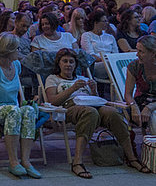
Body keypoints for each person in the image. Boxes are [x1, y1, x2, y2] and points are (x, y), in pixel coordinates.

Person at [45, 48, 149, 178]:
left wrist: (94, 90)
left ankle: (131, 158)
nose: (68, 64)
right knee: (90, 113)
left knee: (113, 113)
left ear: (75, 64)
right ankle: (77, 162)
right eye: (64, 61)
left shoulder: (83, 78)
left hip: (93, 104)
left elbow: (96, 98)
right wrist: (72, 88)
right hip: (70, 106)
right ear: (58, 63)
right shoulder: (53, 79)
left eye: (71, 62)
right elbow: (53, 101)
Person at [0, 33, 41, 179]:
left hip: (12, 109)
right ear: (8, 50)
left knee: (29, 110)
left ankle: (26, 161)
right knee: (14, 111)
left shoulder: (16, 65)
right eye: (16, 48)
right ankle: (13, 161)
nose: (19, 51)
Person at [125, 35, 156, 134]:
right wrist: (133, 105)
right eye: (137, 50)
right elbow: (128, 94)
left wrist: (150, 107)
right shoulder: (134, 66)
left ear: (153, 53)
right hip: (142, 100)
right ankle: (150, 146)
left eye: (141, 52)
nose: (137, 55)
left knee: (153, 116)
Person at [80, 11, 117, 80]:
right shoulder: (87, 35)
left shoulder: (110, 37)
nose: (107, 23)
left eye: (107, 21)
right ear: (96, 23)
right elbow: (90, 55)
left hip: (111, 61)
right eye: (104, 21)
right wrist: (104, 59)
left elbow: (116, 53)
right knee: (114, 65)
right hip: (96, 64)